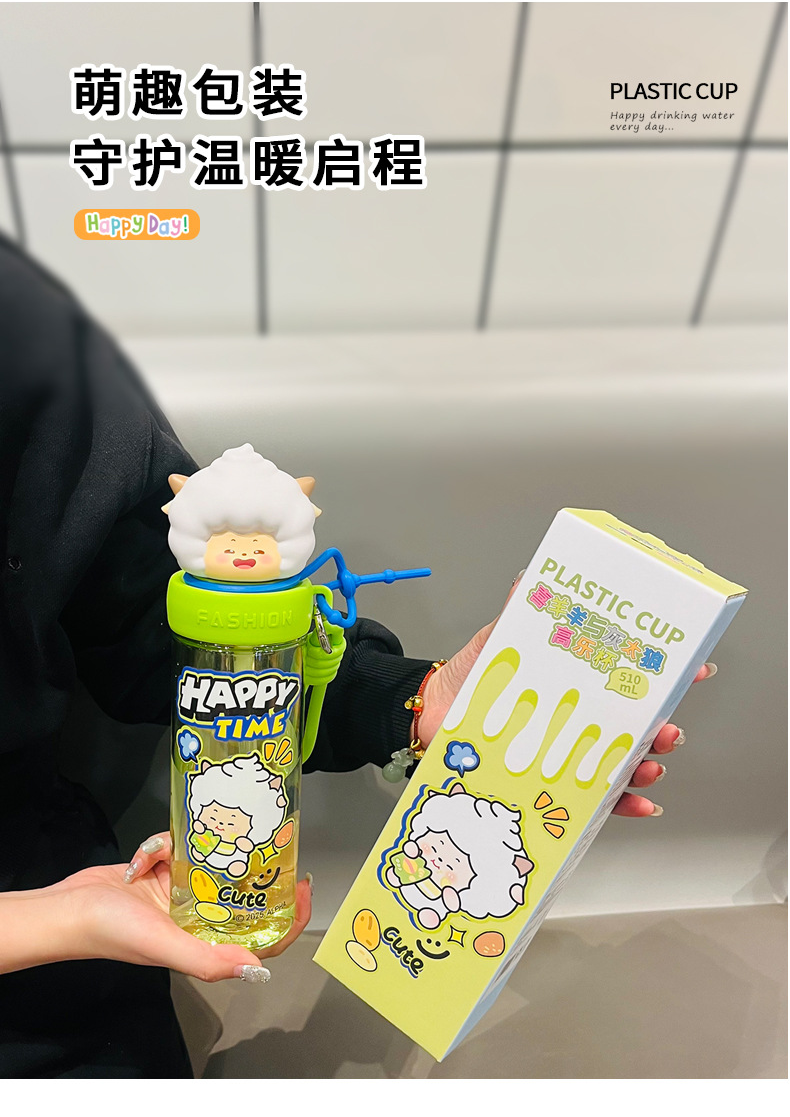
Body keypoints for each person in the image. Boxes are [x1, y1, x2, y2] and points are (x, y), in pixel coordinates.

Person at [0, 232, 712, 1078]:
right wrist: (46, 922)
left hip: (61, 920)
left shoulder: (26, 339)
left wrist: (411, 700)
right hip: (55, 928)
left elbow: (159, 625)